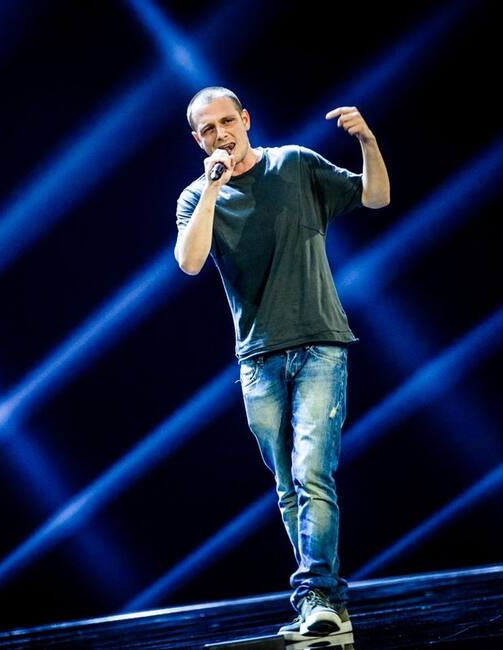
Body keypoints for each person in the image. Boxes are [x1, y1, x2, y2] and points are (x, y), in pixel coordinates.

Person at [174, 86, 390, 637]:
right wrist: (212, 186)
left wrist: (367, 142)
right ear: (198, 139)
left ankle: (316, 594)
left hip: (319, 343)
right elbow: (190, 262)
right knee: (288, 486)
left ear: (246, 119)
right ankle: (326, 602)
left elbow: (375, 197)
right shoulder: (196, 197)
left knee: (311, 471)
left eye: (227, 122)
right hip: (257, 358)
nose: (221, 134)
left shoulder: (294, 164)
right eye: (208, 129)